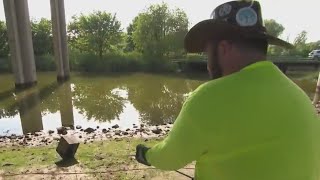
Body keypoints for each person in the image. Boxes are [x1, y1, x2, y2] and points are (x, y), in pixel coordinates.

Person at [135, 1, 320, 179]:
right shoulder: (299, 96)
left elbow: (170, 158)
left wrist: (147, 154)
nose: (208, 64)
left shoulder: (208, 98)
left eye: (208, 53)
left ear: (223, 48)